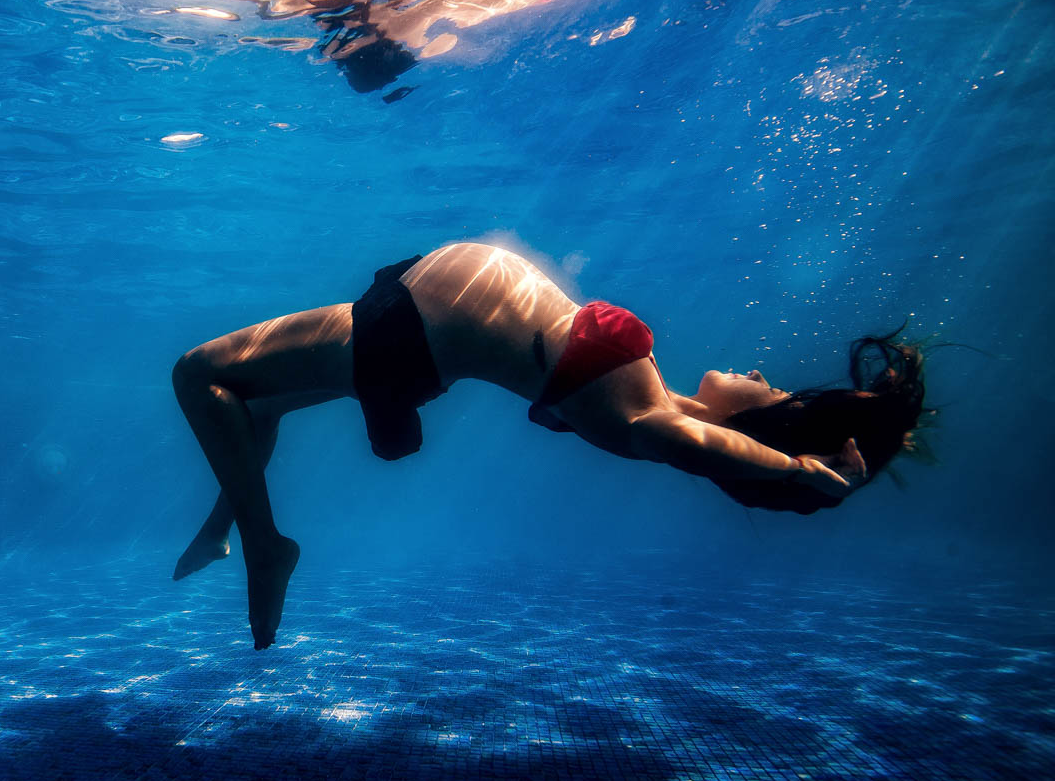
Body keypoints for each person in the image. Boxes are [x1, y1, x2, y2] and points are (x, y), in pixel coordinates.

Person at [171, 242, 928, 649]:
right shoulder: (659, 397)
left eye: (774, 392)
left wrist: (803, 471)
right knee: (251, 396)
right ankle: (220, 529)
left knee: (198, 374)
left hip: (406, 335)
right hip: (406, 323)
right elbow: (686, 428)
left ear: (760, 429)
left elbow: (692, 445)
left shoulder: (648, 421)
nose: (763, 373)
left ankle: (264, 546)